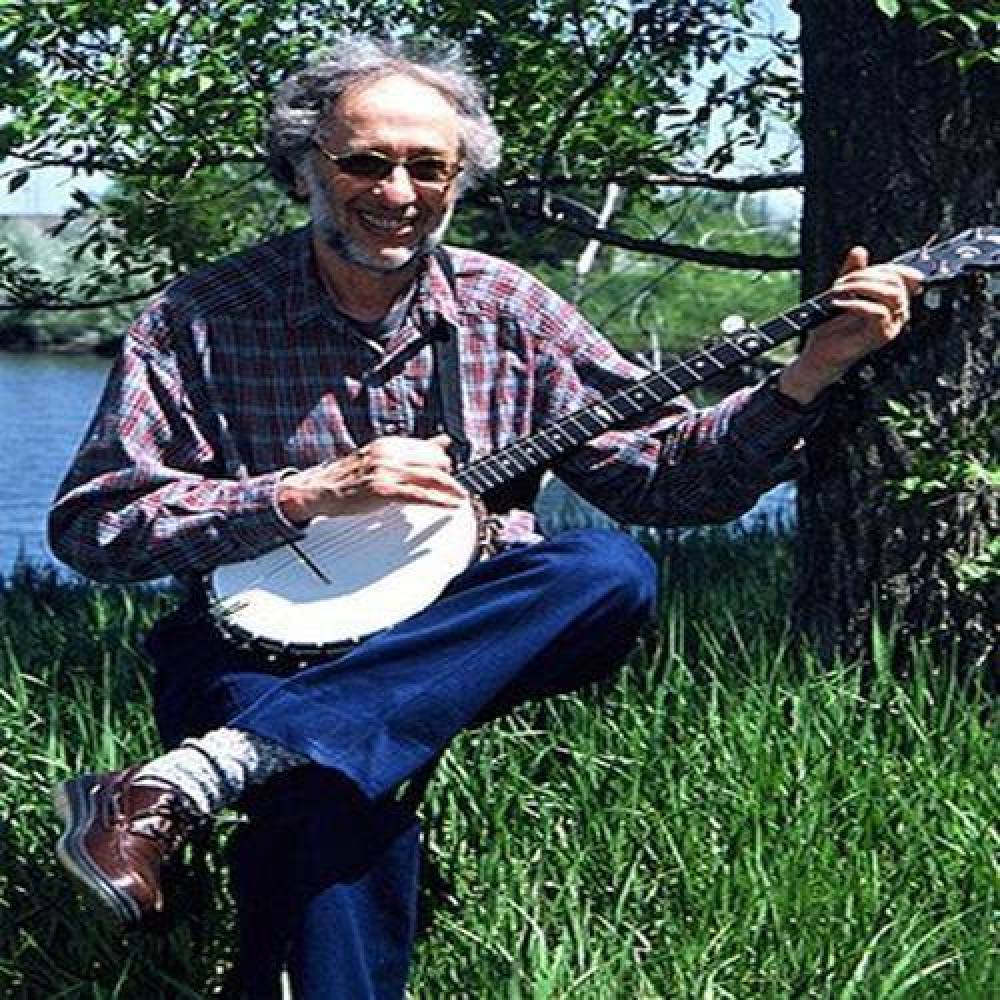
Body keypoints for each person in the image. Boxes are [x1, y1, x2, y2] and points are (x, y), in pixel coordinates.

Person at [48, 33, 921, 1000]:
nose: (397, 191)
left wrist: (812, 370)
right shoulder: (197, 318)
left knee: (605, 570)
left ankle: (190, 778)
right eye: (365, 162)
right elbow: (95, 525)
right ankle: (257, 792)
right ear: (306, 168)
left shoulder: (508, 307)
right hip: (250, 645)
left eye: (430, 166)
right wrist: (303, 494)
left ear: (460, 179)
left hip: (454, 627)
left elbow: (668, 484)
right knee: (336, 795)